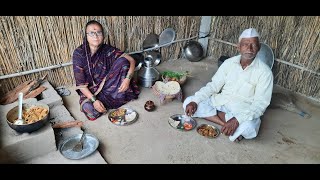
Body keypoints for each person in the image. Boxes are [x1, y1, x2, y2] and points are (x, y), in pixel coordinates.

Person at [183, 28, 273, 142]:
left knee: (249, 128)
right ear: (238, 46)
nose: (249, 49)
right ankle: (226, 124)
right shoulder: (229, 63)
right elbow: (214, 85)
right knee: (188, 102)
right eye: (245, 44)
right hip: (221, 102)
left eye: (253, 45)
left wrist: (237, 120)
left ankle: (229, 123)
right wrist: (195, 101)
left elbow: (260, 105)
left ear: (259, 48)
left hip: (242, 111)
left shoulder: (265, 72)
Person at [72, 20, 140, 121]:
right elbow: (81, 85)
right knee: (90, 109)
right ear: (86, 36)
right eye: (91, 33)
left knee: (123, 61)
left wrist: (127, 79)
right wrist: (94, 100)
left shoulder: (108, 49)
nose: (95, 36)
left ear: (103, 35)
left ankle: (113, 98)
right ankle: (107, 101)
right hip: (91, 91)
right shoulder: (79, 54)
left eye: (99, 32)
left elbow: (131, 60)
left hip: (108, 86)